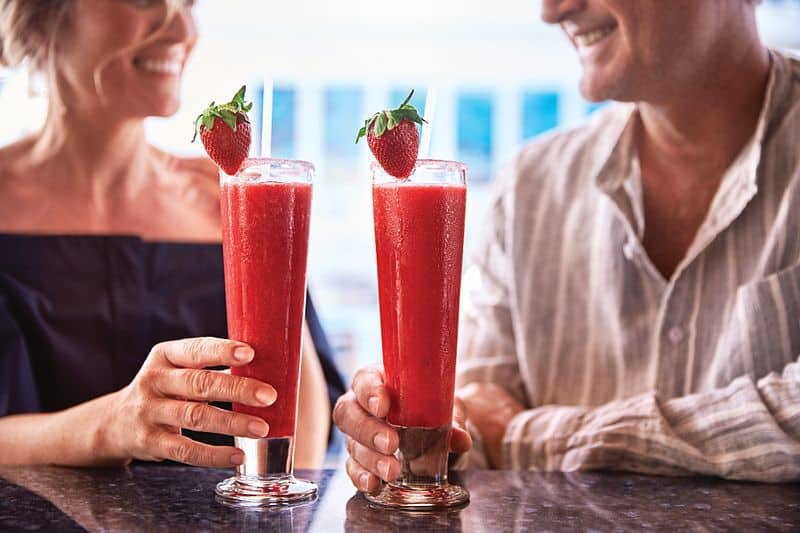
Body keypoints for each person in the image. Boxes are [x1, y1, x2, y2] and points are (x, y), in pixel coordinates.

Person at [334, 0, 800, 490]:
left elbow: (501, 432)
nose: (554, 10)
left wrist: (527, 436)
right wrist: (403, 428)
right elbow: (474, 417)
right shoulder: (530, 188)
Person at [0, 0, 345, 468]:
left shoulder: (225, 196)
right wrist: (111, 424)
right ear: (40, 19)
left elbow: (301, 424)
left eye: (188, 4)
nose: (181, 28)